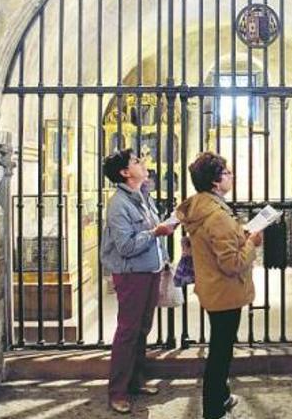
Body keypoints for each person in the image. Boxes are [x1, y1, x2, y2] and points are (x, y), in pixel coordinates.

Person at [176, 152, 263, 419]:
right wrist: (252, 243)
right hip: (225, 290)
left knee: (221, 346)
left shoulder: (204, 207)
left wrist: (240, 236)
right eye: (227, 173)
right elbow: (232, 263)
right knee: (220, 352)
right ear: (215, 182)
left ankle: (221, 396)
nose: (231, 176)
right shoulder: (217, 215)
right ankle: (213, 408)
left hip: (213, 287)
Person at [100, 149, 176, 414]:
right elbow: (125, 246)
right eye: (135, 162)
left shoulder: (143, 197)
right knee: (128, 332)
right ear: (124, 173)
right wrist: (156, 231)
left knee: (142, 328)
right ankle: (117, 391)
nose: (142, 164)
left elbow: (152, 233)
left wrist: (164, 242)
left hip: (149, 271)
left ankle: (135, 381)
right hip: (132, 274)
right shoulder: (119, 204)